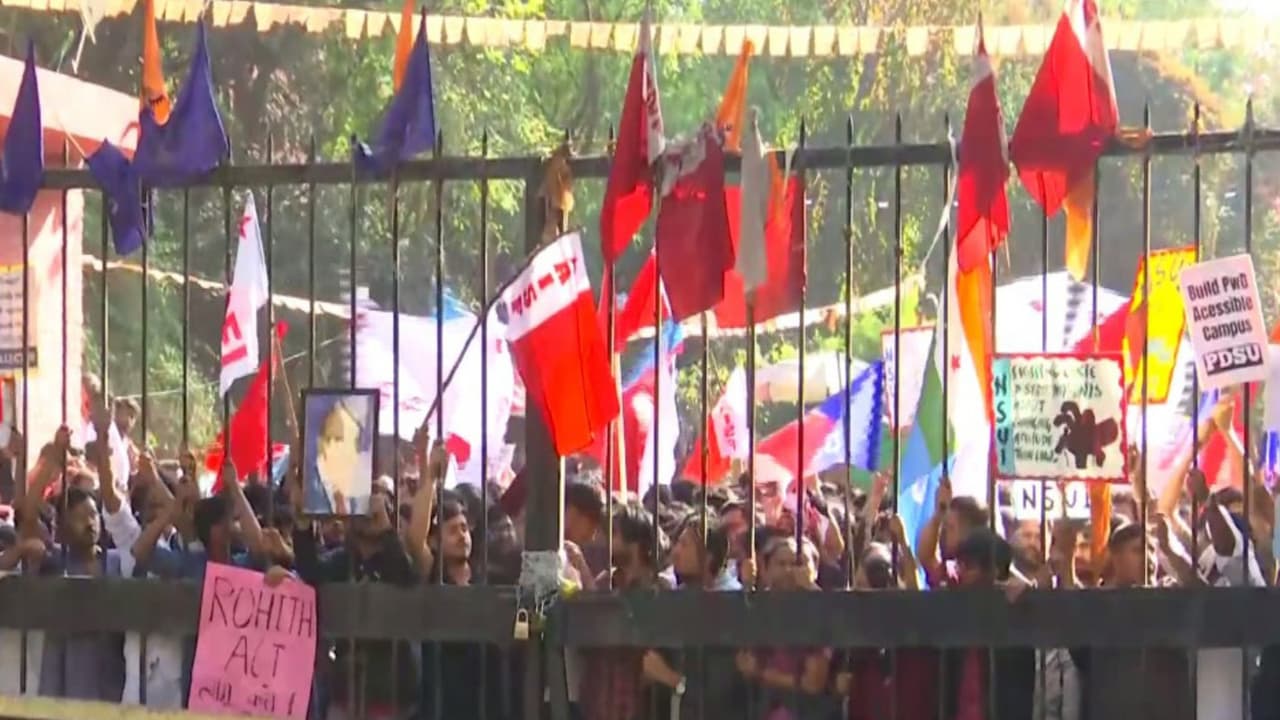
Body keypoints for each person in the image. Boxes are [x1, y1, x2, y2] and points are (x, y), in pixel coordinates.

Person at [940, 528, 1034, 720]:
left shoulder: (1017, 612)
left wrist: (1030, 589)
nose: (961, 572)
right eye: (959, 564)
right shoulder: (954, 608)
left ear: (993, 571)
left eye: (969, 566)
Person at [305, 396, 372, 516]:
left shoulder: (361, 502)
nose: (331, 446)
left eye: (338, 439)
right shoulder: (310, 489)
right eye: (328, 439)